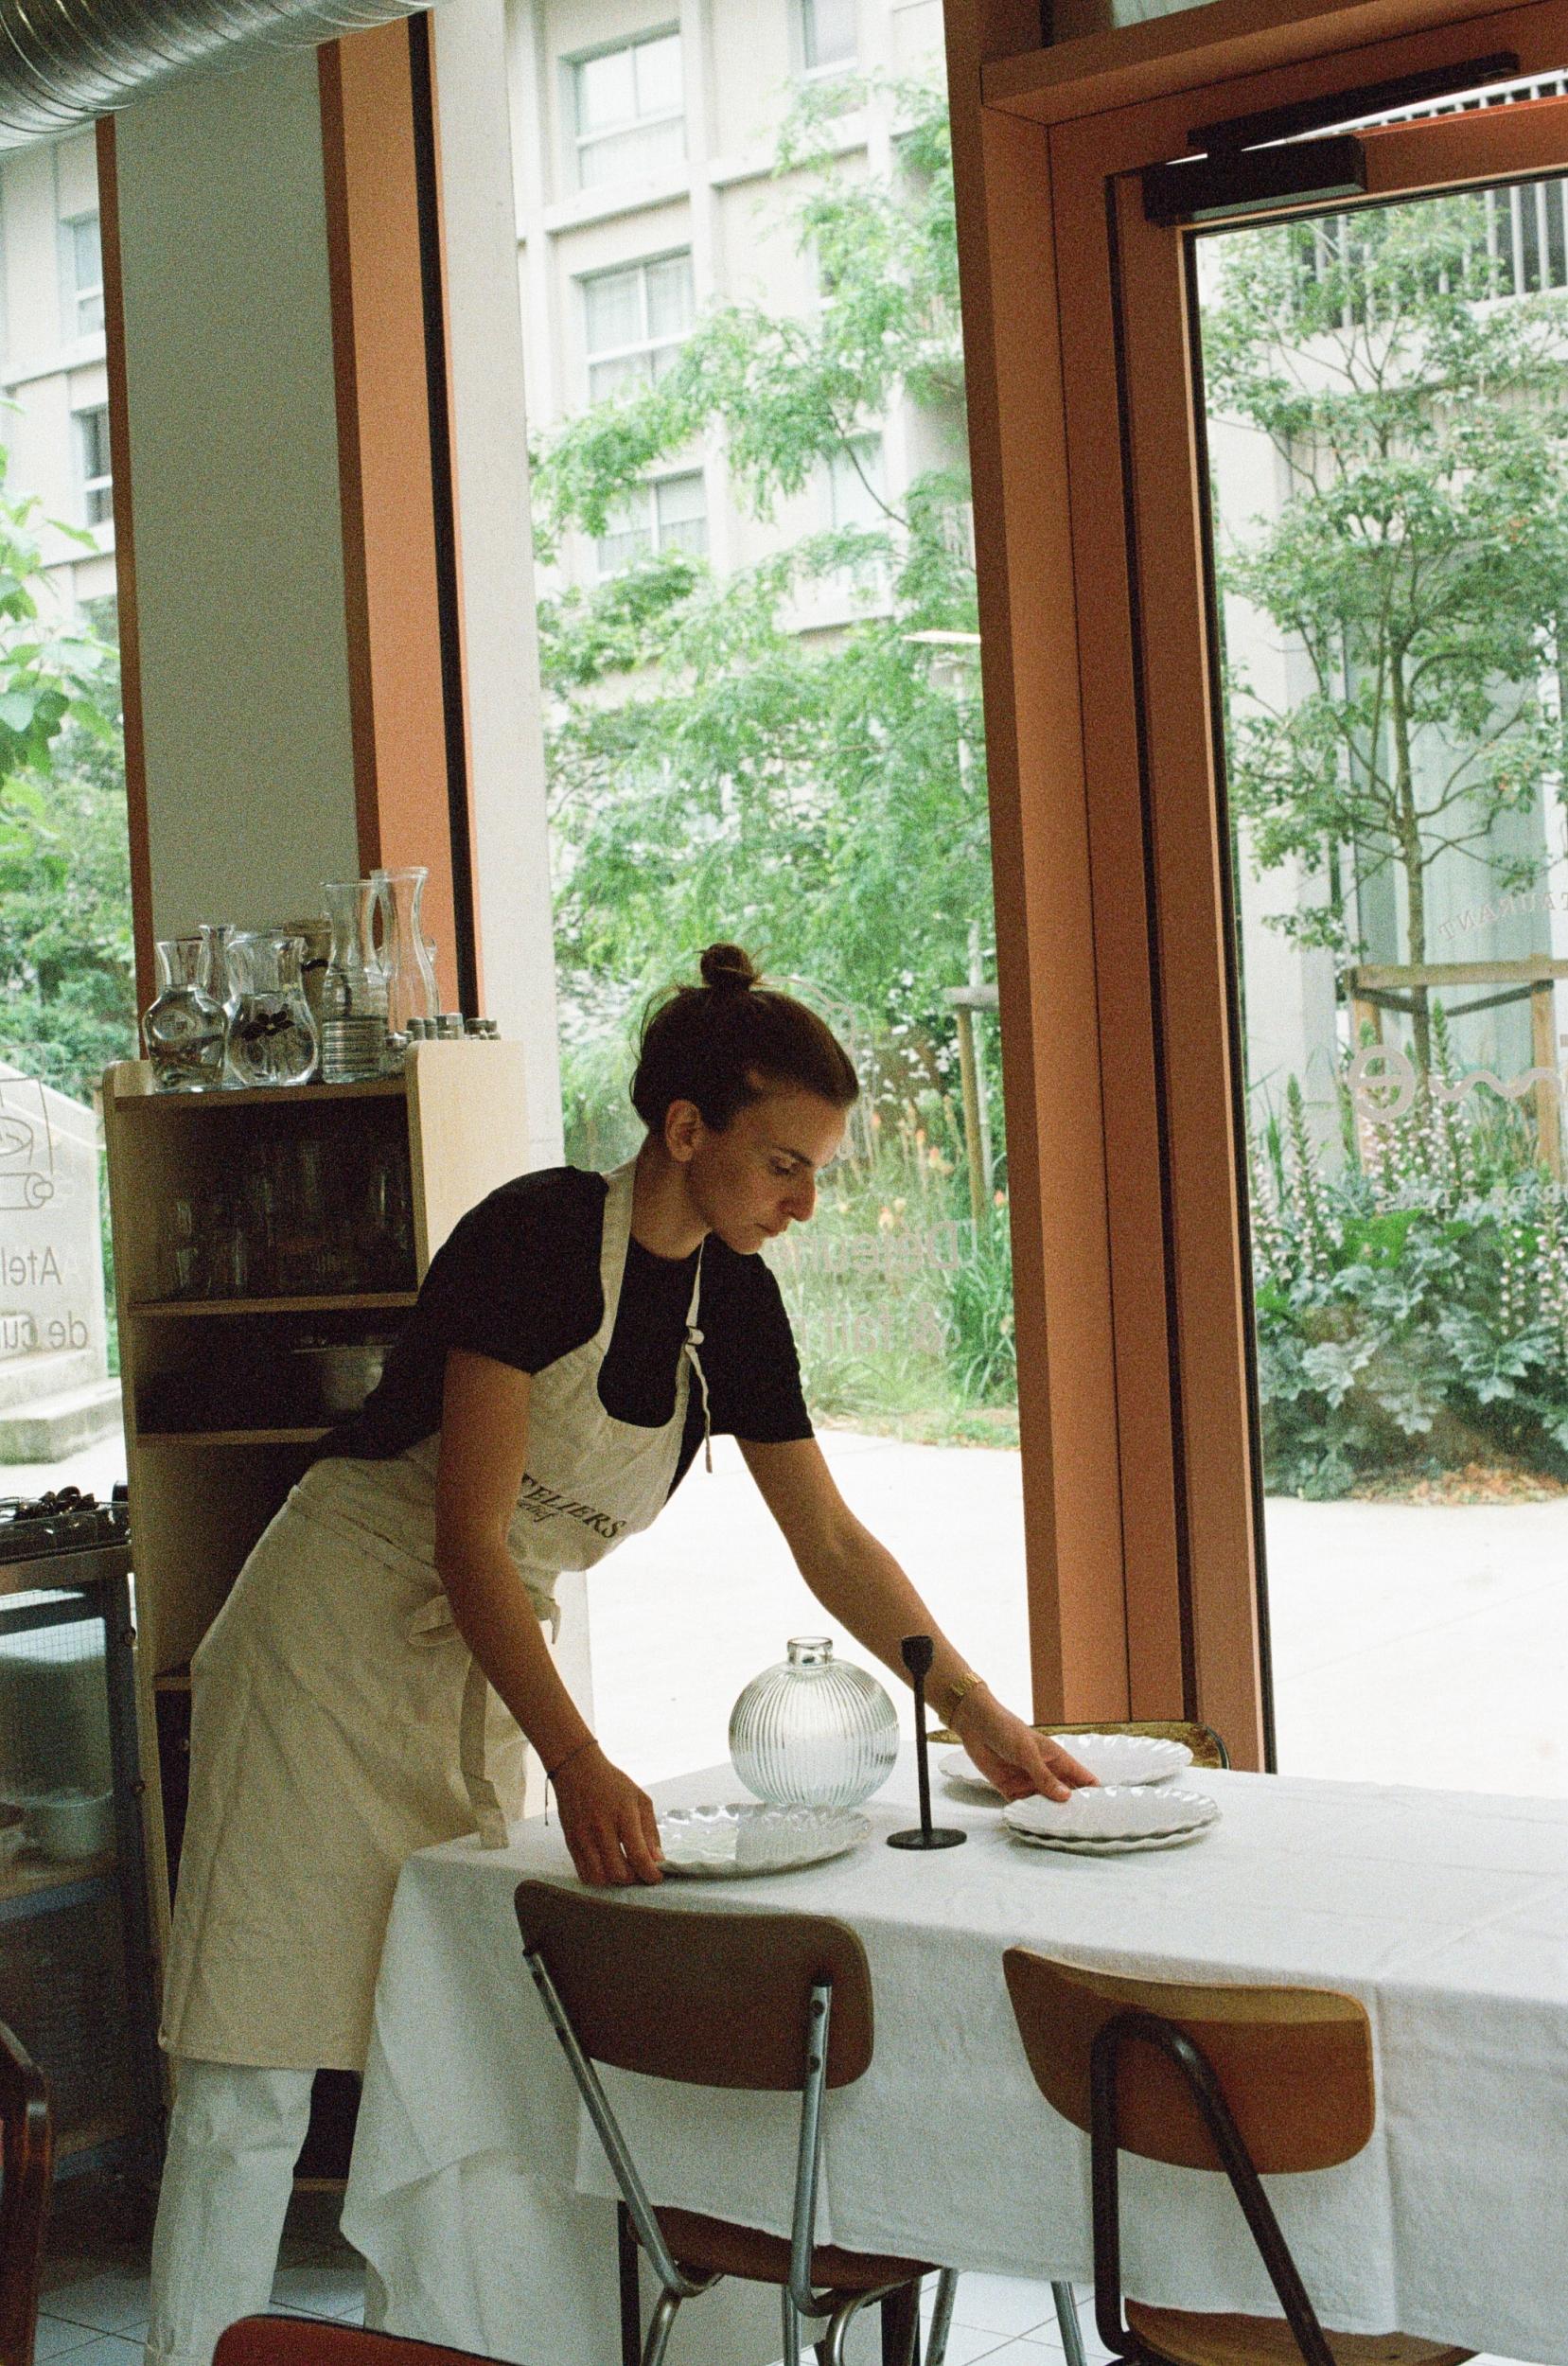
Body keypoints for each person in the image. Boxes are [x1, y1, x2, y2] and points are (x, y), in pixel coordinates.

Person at [144, 942, 1094, 2366]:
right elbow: (467, 1538)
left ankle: (443, 2350)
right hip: (328, 1638)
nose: (804, 1201)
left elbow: (829, 1543)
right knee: (256, 2075)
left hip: (475, 1664)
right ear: (686, 1129)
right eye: (783, 1163)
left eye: (815, 1169)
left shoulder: (738, 1306)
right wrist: (579, 1757)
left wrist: (978, 1717)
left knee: (447, 2053)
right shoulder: (533, 1239)